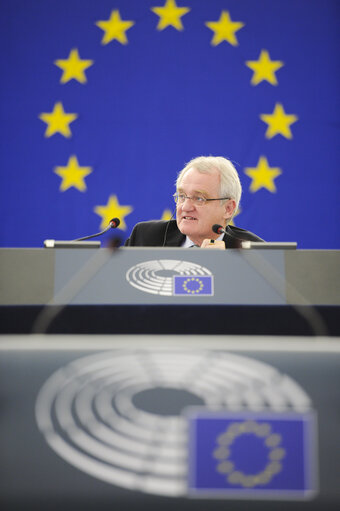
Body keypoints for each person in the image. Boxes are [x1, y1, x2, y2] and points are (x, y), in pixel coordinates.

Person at [125, 156, 263, 249]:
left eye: (199, 198)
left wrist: (224, 267)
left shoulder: (253, 251)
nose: (185, 207)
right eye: (182, 196)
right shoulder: (145, 238)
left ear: (228, 208)